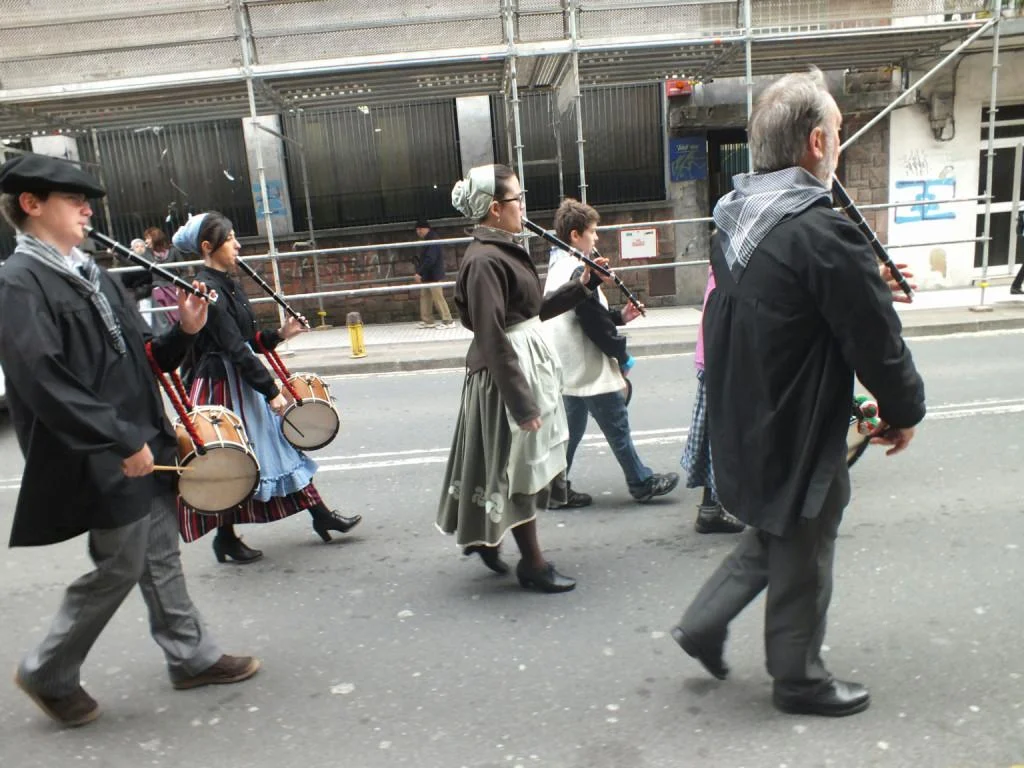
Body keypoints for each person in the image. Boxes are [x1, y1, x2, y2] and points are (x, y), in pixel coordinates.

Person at [668, 68, 926, 717]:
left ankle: (702, 623)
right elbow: (876, 342)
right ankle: (798, 679)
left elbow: (783, 304)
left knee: (777, 528)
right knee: (805, 539)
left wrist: (857, 278)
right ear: (816, 143)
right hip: (800, 423)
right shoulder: (820, 232)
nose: (839, 141)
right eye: (837, 130)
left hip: (751, 413)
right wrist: (902, 410)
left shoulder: (738, 220)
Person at [0, 154, 260, 728]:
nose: (87, 210)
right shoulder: (17, 283)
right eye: (74, 200)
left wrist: (184, 331)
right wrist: (119, 439)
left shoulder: (91, 273)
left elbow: (144, 357)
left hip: (142, 441)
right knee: (119, 564)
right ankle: (48, 671)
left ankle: (191, 657)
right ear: (31, 204)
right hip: (98, 453)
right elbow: (43, 381)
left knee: (160, 550)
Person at [436, 164, 612, 593]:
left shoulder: (501, 250)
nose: (523, 207)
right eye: (517, 199)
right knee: (518, 469)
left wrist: (583, 285)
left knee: (501, 466)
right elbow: (492, 335)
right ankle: (532, 564)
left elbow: (531, 311)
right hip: (506, 376)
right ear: (495, 209)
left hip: (519, 366)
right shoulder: (484, 260)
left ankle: (485, 538)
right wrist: (521, 403)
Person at [172, 211, 361, 564]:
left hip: (240, 379)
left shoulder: (227, 282)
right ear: (208, 247)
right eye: (230, 239)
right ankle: (229, 537)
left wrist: (280, 335)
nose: (238, 245)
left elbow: (246, 340)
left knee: (275, 451)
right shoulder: (206, 289)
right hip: (223, 386)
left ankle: (318, 516)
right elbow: (232, 348)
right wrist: (270, 390)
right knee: (231, 461)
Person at [541, 197, 680, 509]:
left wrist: (620, 317)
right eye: (592, 231)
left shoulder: (560, 264)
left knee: (571, 430)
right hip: (588, 365)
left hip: (569, 366)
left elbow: (587, 313)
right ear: (575, 235)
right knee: (616, 423)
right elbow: (593, 323)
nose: (596, 237)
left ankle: (554, 489)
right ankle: (641, 482)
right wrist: (621, 355)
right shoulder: (578, 269)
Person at [678, 264, 746, 534]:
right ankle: (717, 508)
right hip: (724, 361)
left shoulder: (724, 263)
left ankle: (711, 508)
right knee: (726, 436)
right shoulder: (732, 267)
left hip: (716, 359)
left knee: (713, 434)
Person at [414, 217, 455, 329]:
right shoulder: (428, 238)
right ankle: (427, 320)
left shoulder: (432, 239)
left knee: (438, 297)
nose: (418, 232)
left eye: (420, 229)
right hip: (428, 274)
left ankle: (448, 320)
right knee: (425, 297)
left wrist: (419, 273)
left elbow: (430, 259)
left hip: (433, 274)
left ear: (426, 228)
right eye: (417, 229)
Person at [144, 226, 186, 334]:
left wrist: (180, 285)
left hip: (173, 288)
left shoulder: (173, 250)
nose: (146, 241)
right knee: (161, 319)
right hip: (157, 288)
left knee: (178, 316)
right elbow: (134, 263)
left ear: (155, 238)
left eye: (148, 238)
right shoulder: (147, 253)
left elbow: (184, 269)